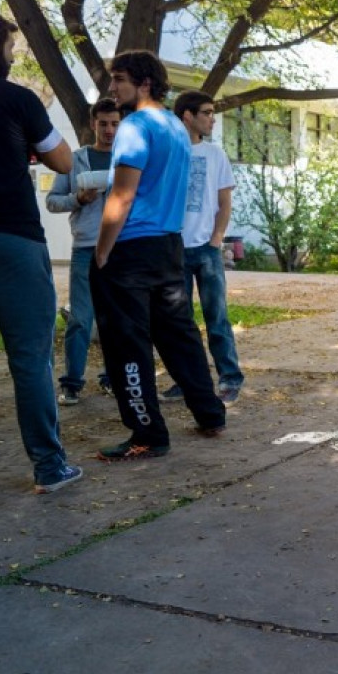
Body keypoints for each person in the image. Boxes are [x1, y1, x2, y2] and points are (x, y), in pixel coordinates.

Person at [90, 50, 226, 461]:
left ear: (144, 82)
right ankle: (210, 413)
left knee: (127, 344)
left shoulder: (134, 127)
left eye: (119, 79)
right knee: (178, 334)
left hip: (132, 249)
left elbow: (122, 194)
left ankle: (147, 433)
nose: (112, 88)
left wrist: (101, 250)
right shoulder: (173, 126)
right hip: (169, 245)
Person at [0, 5, 82, 492]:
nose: (13, 55)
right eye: (11, 47)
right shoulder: (16, 98)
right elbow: (62, 158)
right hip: (12, 240)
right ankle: (49, 466)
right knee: (30, 357)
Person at [161, 90, 243, 404]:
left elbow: (224, 203)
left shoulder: (215, 155)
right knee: (179, 323)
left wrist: (216, 239)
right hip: (174, 250)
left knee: (216, 317)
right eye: (206, 113)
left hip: (206, 250)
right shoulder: (168, 152)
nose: (212, 118)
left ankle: (230, 378)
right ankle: (187, 381)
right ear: (187, 116)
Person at [46, 98, 122, 405]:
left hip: (120, 248)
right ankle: (72, 384)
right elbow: (53, 201)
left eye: (115, 124)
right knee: (80, 318)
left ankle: (112, 378)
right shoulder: (76, 159)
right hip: (84, 249)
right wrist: (78, 198)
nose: (109, 130)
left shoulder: (126, 161)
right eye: (103, 123)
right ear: (93, 124)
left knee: (116, 318)